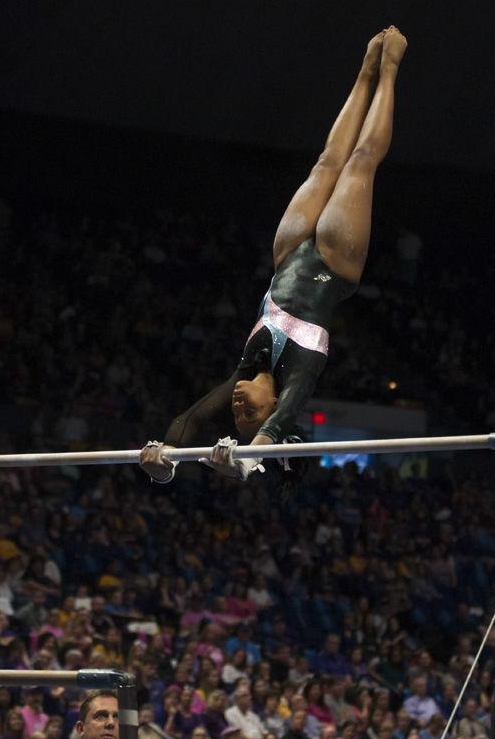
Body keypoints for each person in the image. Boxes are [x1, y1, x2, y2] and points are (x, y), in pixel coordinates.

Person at [139, 27, 408, 484]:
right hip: (333, 265)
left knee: (326, 162)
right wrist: (247, 456)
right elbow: (277, 426)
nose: (240, 407)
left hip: (287, 257)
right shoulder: (301, 375)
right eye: (251, 417)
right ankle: (388, 71)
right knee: (360, 161)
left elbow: (190, 420)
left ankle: (363, 71)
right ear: (270, 414)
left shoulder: (242, 373)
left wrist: (163, 460)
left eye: (237, 416)